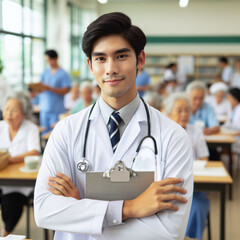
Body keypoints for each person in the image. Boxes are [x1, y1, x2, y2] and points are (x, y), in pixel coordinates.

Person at [34, 12, 193, 240]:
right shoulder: (66, 131)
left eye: (120, 56)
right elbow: (44, 210)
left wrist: (82, 210)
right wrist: (130, 208)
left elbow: (169, 232)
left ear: (139, 60)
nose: (110, 69)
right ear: (90, 65)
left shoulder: (172, 136)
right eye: (100, 59)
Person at [164, 92, 209, 240]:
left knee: (196, 206)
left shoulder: (196, 131)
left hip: (194, 186)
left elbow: (203, 158)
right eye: (179, 110)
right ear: (170, 112)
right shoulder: (164, 132)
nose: (184, 114)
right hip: (168, 187)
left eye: (187, 110)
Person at [0, 91, 41, 237]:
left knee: (11, 203)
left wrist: (8, 160)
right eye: (7, 109)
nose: (9, 113)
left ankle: (6, 233)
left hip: (21, 183)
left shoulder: (30, 128)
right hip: (2, 179)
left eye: (14, 110)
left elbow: (34, 152)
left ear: (23, 112)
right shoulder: (1, 126)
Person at [36, 50, 71, 134]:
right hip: (44, 108)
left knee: (56, 134)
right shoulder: (45, 72)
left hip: (56, 109)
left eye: (49, 60)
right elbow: (41, 86)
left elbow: (66, 90)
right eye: (46, 61)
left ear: (55, 59)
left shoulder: (63, 74)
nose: (48, 63)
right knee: (44, 134)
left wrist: (51, 89)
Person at [223, 88, 240, 154]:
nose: (228, 100)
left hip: (237, 139)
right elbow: (230, 122)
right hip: (234, 136)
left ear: (234, 98)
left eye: (229, 98)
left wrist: (229, 133)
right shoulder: (236, 109)